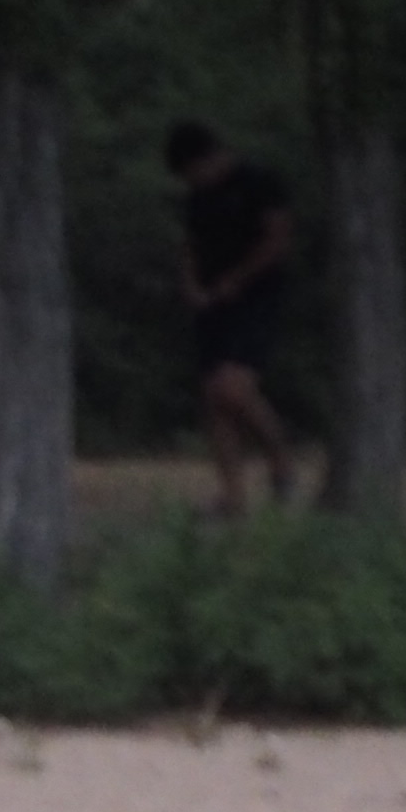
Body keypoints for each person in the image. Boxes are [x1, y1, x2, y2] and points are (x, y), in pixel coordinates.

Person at [166, 119, 300, 518]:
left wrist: (237, 280)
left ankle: (281, 457)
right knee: (213, 398)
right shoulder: (197, 198)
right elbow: (189, 244)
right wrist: (190, 284)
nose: (194, 181)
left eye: (193, 172)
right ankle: (233, 496)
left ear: (207, 158)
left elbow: (277, 238)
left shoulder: (260, 181)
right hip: (211, 301)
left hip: (255, 297)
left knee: (233, 388)